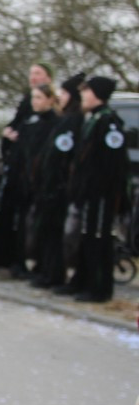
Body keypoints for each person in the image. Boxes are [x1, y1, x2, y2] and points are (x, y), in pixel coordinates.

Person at [60, 76, 129, 303]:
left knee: (98, 239)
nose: (82, 96)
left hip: (101, 195)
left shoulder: (108, 122)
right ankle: (82, 280)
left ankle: (98, 287)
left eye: (86, 91)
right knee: (84, 237)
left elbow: (112, 164)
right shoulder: (93, 119)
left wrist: (101, 190)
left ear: (96, 93)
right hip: (87, 193)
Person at [0, 62, 53, 274]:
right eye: (31, 73)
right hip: (18, 172)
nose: (33, 77)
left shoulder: (49, 120)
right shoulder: (26, 107)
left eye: (38, 73)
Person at [31, 74, 85, 289]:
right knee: (47, 231)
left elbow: (61, 156)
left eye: (63, 93)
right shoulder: (66, 119)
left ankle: (54, 273)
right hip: (50, 187)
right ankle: (46, 271)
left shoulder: (72, 121)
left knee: (55, 233)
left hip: (58, 188)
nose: (60, 97)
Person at [17, 83, 59, 281]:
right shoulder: (31, 122)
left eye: (39, 98)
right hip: (27, 179)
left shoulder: (54, 123)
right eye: (33, 98)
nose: (35, 102)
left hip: (43, 182)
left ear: (51, 99)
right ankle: (26, 262)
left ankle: (42, 264)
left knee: (42, 225)